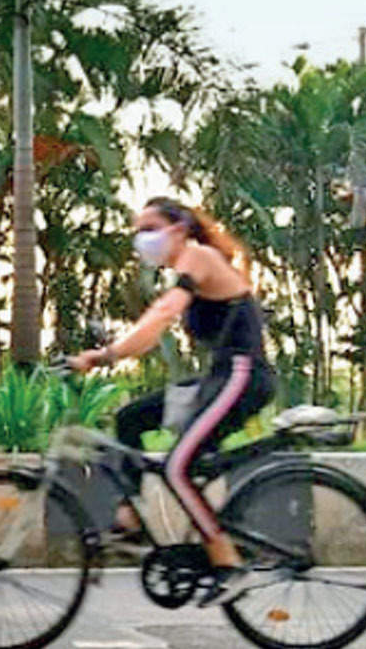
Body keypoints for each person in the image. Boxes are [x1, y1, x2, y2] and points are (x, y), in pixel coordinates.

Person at [69, 196, 275, 607]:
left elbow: (161, 315)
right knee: (130, 419)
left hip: (242, 375)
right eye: (137, 231)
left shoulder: (197, 256)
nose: (141, 239)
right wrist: (113, 351)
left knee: (177, 466)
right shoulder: (190, 265)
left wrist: (106, 355)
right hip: (219, 378)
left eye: (150, 228)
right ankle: (130, 521)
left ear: (178, 230)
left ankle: (229, 564)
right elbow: (154, 320)